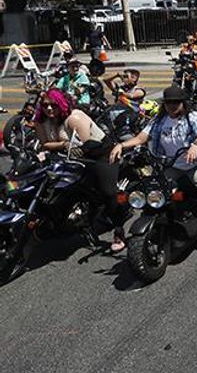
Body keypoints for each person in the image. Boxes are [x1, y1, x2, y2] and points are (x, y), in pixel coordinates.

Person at [110, 86, 197, 257]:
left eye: (176, 102)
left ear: (183, 102)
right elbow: (141, 138)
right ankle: (162, 225)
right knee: (152, 191)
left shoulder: (192, 117)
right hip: (171, 165)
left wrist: (195, 146)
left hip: (196, 164)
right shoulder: (159, 120)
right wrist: (121, 145)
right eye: (168, 102)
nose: (172, 106)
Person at [35, 88, 128, 251]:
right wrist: (63, 145)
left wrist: (65, 148)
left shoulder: (74, 117)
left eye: (53, 105)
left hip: (99, 154)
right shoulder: (41, 120)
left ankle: (119, 231)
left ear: (62, 104)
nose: (49, 109)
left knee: (108, 192)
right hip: (68, 156)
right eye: (45, 105)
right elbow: (44, 144)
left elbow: (88, 145)